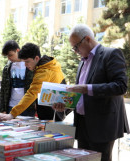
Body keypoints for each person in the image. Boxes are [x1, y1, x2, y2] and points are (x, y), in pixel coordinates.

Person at [52, 24, 129, 161]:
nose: (75, 51)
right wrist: (64, 104)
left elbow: (120, 86)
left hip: (102, 125)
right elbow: (80, 96)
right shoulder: (82, 62)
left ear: (87, 39)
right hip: (82, 125)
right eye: (73, 48)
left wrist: (88, 88)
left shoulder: (110, 54)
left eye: (76, 46)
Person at [0, 42, 65, 121]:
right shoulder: (48, 65)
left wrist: (12, 114)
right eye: (24, 61)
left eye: (27, 61)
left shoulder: (43, 72)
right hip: (52, 112)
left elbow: (32, 93)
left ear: (36, 58)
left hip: (52, 113)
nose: (25, 65)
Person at [0, 40, 35, 117]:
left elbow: (36, 87)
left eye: (10, 55)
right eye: (7, 56)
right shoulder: (7, 68)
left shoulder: (30, 65)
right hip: (11, 107)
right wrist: (2, 109)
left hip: (27, 107)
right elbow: (3, 89)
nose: (9, 58)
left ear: (17, 51)